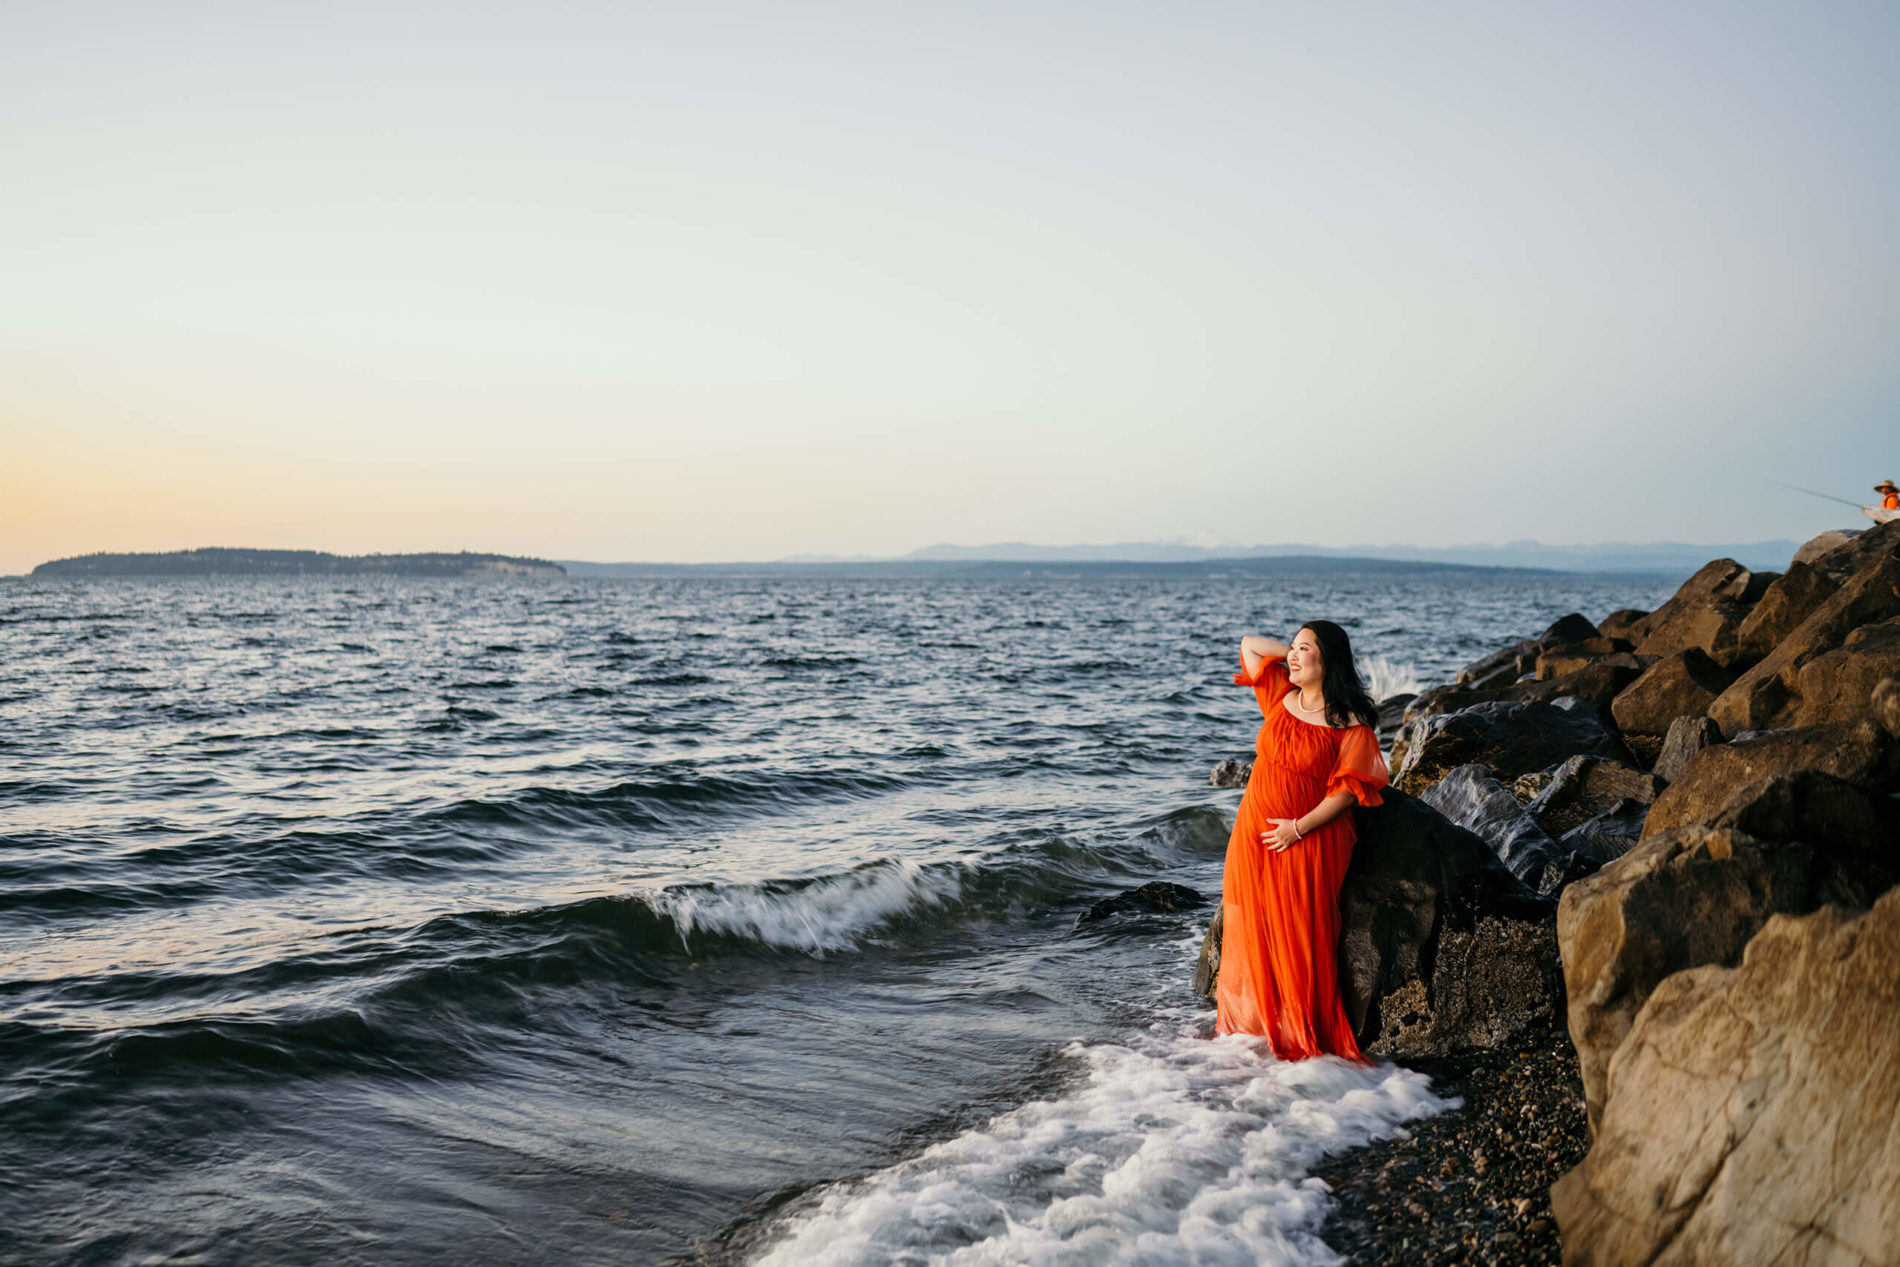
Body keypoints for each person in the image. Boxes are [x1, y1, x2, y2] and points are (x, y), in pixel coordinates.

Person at [1216, 620, 1388, 1060]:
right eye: (1291, 648)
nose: (1291, 655)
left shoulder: (1350, 725)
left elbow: (1349, 791)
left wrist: (1298, 828)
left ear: (1328, 661)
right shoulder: (1281, 696)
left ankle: (1295, 1036)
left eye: (1304, 649)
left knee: (1297, 933)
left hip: (1305, 839)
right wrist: (1294, 651)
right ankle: (1252, 1037)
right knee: (1252, 926)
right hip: (1252, 838)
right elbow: (1250, 647)